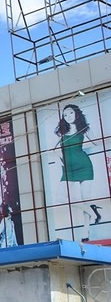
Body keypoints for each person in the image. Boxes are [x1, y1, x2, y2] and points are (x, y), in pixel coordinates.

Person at [54, 103, 101, 241]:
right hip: (68, 169)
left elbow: (97, 142)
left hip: (84, 165)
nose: (68, 116)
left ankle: (85, 233)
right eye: (65, 115)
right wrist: (58, 160)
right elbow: (53, 150)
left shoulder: (84, 129)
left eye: (70, 113)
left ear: (77, 113)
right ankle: (92, 211)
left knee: (85, 198)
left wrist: (89, 132)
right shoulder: (61, 132)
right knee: (60, 197)